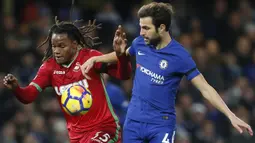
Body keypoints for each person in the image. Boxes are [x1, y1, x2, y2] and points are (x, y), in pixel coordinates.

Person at [80, 2, 253, 143]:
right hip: (133, 122)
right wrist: (96, 59)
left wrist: (231, 115)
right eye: (141, 27)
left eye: (146, 28)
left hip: (161, 125)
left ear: (162, 28)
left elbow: (205, 88)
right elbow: (122, 54)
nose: (141, 32)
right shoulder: (141, 43)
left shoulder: (180, 56)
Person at [3, 17, 131, 143]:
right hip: (76, 136)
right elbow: (28, 96)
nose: (56, 51)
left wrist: (121, 57)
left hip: (105, 128)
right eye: (54, 46)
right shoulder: (49, 68)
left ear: (74, 45)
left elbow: (124, 75)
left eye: (62, 46)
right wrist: (16, 88)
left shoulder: (90, 57)